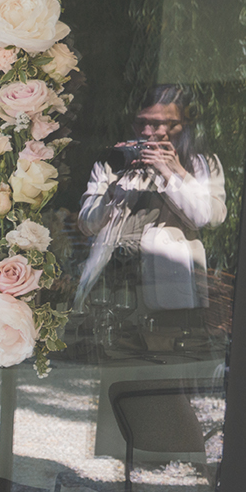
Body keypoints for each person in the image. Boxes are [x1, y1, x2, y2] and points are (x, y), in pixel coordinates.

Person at [75, 85, 227, 327]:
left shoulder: (201, 164)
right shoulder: (113, 163)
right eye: (140, 123)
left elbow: (206, 218)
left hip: (166, 290)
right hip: (108, 284)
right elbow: (87, 225)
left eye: (156, 124)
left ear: (180, 126)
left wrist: (169, 172)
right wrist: (110, 195)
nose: (146, 132)